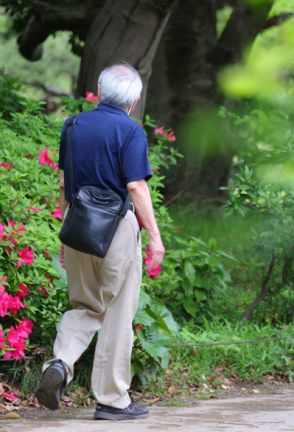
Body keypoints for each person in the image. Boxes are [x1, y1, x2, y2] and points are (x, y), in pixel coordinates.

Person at [36, 63, 165, 421]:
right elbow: (136, 187)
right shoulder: (131, 131)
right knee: (118, 311)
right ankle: (112, 400)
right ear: (135, 99)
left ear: (99, 88)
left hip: (77, 223)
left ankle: (61, 362)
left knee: (84, 303)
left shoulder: (73, 125)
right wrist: (155, 237)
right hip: (116, 230)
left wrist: (65, 232)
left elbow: (64, 184)